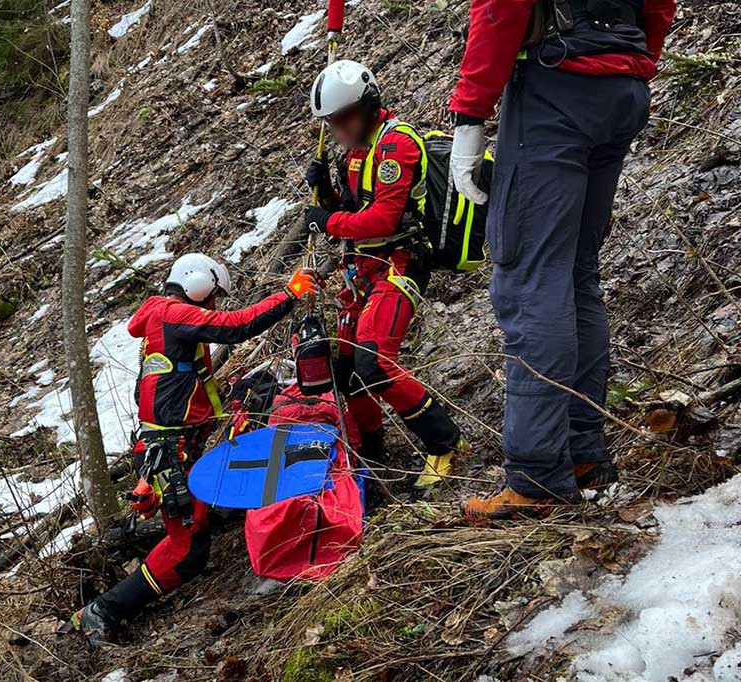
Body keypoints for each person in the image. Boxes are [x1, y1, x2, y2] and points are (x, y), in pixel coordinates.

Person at [449, 0, 676, 522]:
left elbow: (501, 8)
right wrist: (634, 60)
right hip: (621, 84)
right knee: (574, 273)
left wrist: (470, 116)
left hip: (558, 88)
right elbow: (660, 6)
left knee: (531, 281)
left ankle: (536, 477)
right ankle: (581, 453)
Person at [72, 253, 318, 644]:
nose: (215, 305)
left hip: (173, 447)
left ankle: (108, 608)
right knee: (187, 550)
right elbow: (236, 326)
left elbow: (181, 386)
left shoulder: (162, 321)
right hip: (169, 452)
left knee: (192, 539)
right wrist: (290, 294)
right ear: (198, 284)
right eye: (213, 296)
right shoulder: (173, 314)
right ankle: (103, 611)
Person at [304, 59, 469, 490]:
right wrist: (326, 192)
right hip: (363, 270)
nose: (338, 130)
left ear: (369, 105)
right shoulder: (357, 150)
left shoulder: (396, 145)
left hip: (400, 264)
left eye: (344, 119)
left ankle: (445, 442)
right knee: (346, 367)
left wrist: (327, 222)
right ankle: (372, 455)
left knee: (374, 362)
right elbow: (352, 208)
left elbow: (381, 219)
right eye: (331, 122)